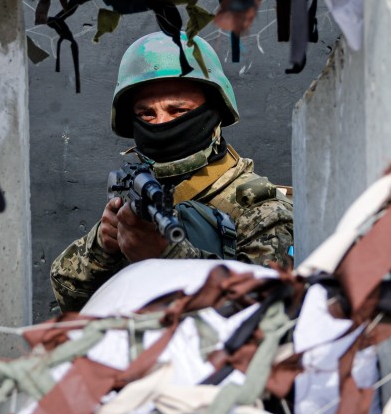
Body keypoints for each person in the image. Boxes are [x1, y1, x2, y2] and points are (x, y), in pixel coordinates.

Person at [50, 31, 294, 312]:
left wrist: (166, 255)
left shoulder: (260, 209)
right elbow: (67, 295)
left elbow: (263, 312)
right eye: (146, 114)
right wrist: (103, 243)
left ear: (214, 114)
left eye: (178, 111)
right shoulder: (143, 191)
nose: (160, 124)